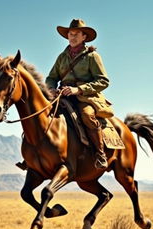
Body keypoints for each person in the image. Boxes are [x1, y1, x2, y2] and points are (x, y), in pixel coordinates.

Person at [45, 19, 110, 169]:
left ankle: (100, 154)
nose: (72, 37)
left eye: (76, 34)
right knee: (40, 113)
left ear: (84, 37)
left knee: (87, 116)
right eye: (70, 34)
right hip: (62, 95)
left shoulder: (92, 56)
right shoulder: (62, 57)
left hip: (84, 97)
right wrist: (51, 89)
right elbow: (51, 77)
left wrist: (78, 90)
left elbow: (103, 81)